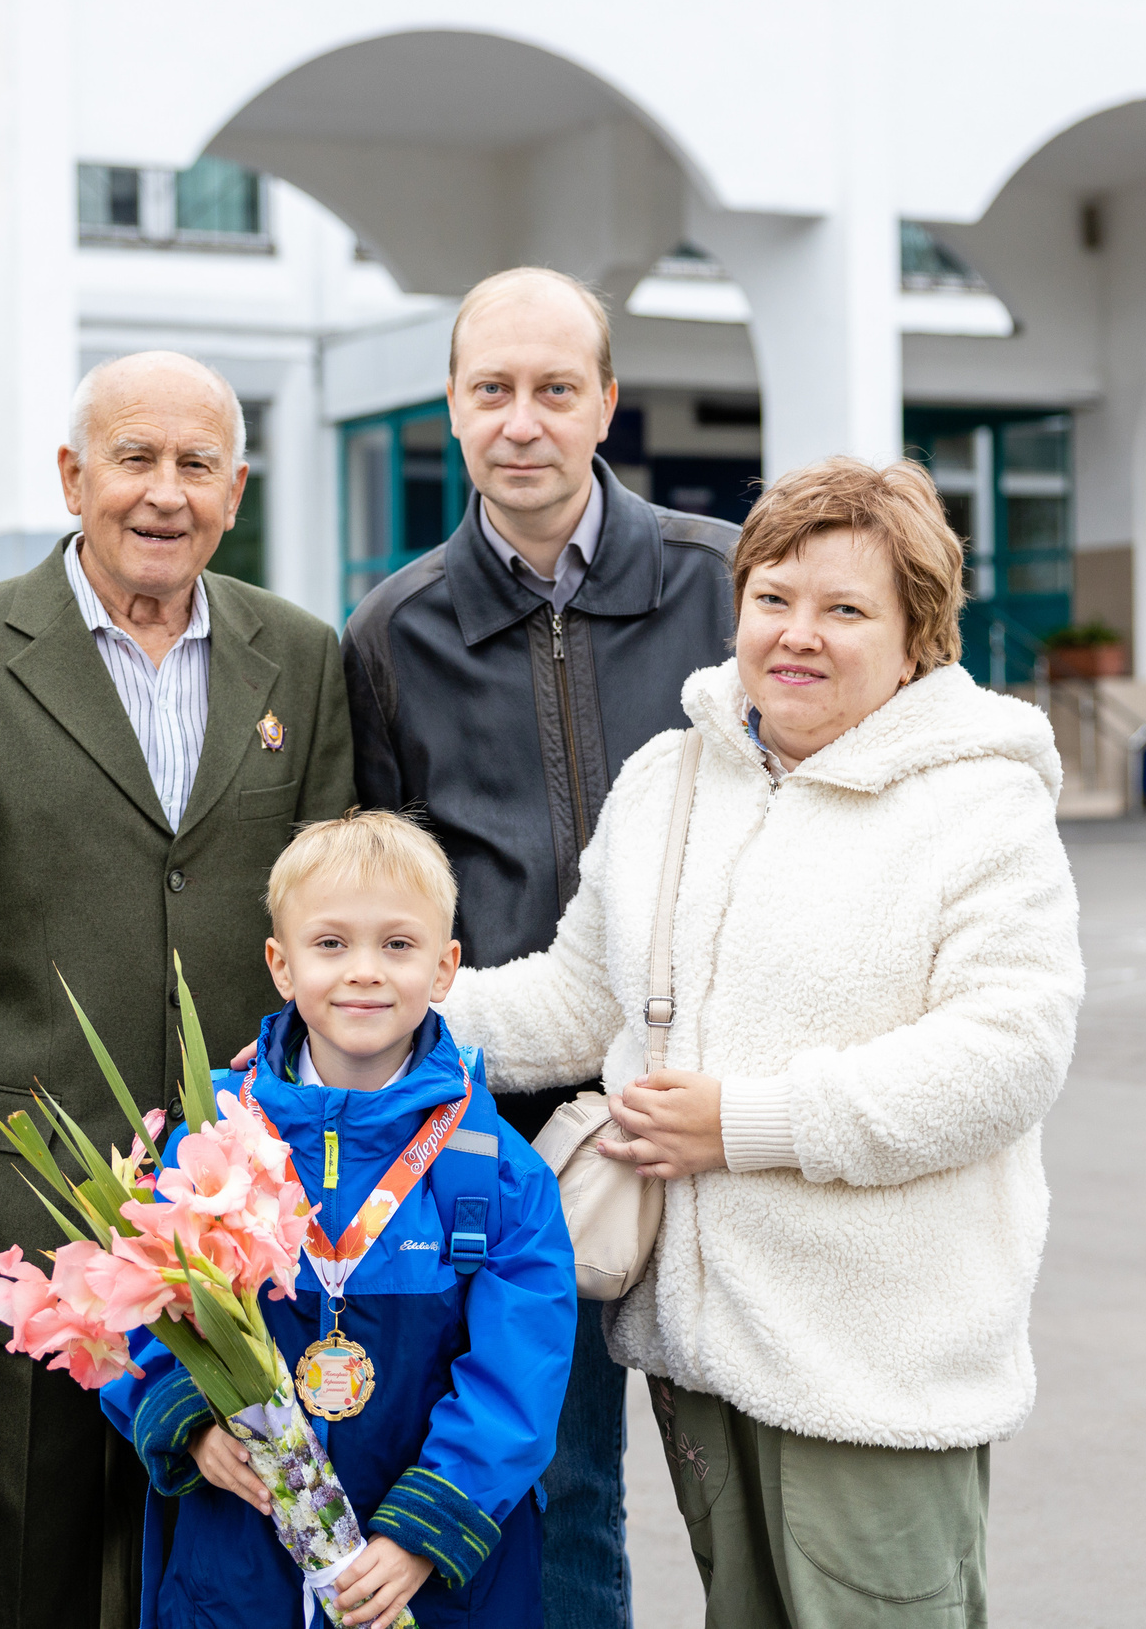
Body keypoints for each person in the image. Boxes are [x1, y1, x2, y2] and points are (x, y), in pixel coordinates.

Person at [439, 457, 1085, 1629]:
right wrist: (388, 1012)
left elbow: (1006, 1054)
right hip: (705, 1349)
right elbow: (581, 1000)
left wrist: (739, 1125)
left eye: (845, 610)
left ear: (917, 639)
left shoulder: (977, 801)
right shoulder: (670, 776)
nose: (798, 636)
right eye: (774, 598)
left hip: (874, 1362)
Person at [0, 351, 357, 1629]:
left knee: (224, 1566)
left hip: (245, 1221)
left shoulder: (298, 659)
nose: (164, 494)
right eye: (135, 459)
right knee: (19, 1565)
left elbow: (337, 929)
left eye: (196, 466)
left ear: (235, 491)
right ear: (73, 476)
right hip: (21, 1222)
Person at [340, 265, 740, 1626]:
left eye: (555, 389)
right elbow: (387, 886)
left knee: (754, 1482)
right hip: (512, 1134)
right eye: (492, 389)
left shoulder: (722, 585)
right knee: (560, 1486)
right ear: (451, 407)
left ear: (607, 404)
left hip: (720, 1107)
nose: (524, 420)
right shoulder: (395, 628)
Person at [106, 811, 577, 1629]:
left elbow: (519, 1374)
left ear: (445, 967)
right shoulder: (212, 1142)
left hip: (426, 1581)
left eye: (398, 944)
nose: (364, 971)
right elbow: (136, 1305)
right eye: (331, 944)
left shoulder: (496, 1171)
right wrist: (190, 1428)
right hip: (240, 1555)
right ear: (281, 966)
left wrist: (421, 1537)